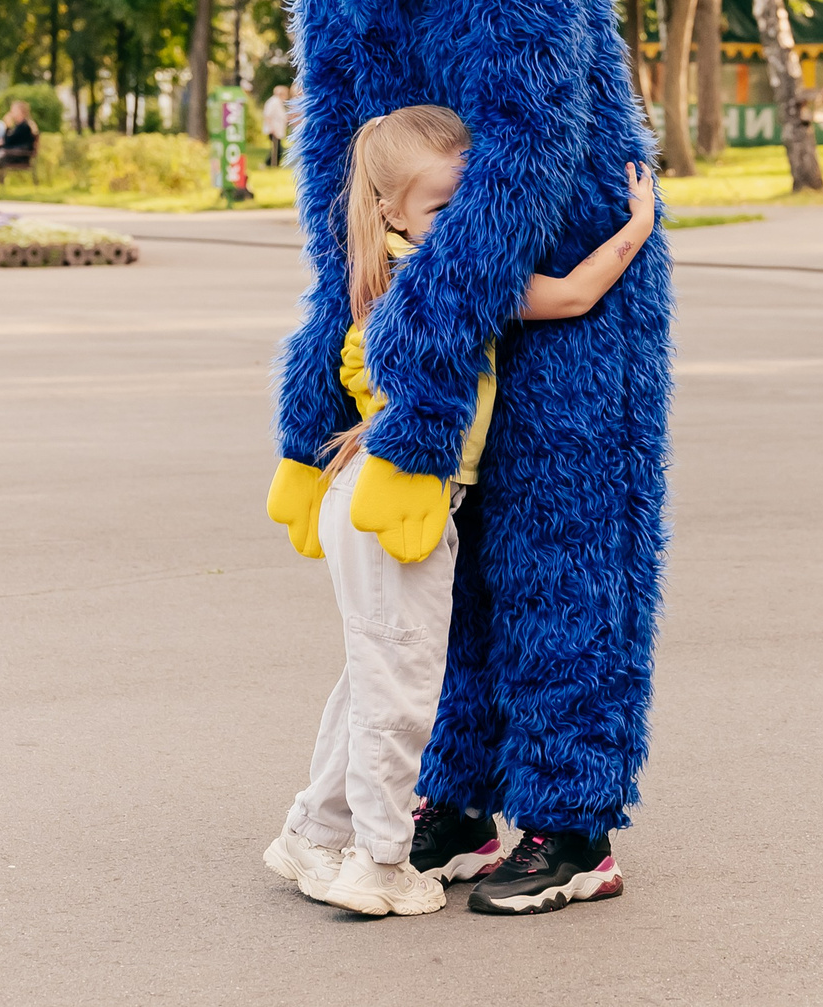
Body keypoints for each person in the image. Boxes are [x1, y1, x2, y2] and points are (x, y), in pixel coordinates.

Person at [257, 0, 670, 919]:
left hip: (563, 276)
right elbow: (332, 171)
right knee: (449, 551)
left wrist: (434, 335)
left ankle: (572, 815)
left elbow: (528, 146)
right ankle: (455, 784)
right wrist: (337, 342)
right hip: (430, 282)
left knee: (562, 537)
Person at [267, 107, 656, 917]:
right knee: (401, 690)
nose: (462, 225)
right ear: (394, 212)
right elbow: (577, 293)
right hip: (398, 500)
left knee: (367, 675)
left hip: (356, 494)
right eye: (443, 210)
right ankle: (377, 861)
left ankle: (312, 832)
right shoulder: (448, 281)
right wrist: (638, 226)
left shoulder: (373, 269)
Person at [0, 98, 39, 179]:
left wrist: (7, 126)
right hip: (14, 154)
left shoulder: (24, 126)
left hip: (16, 156)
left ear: (20, 112)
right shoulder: (22, 125)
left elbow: (7, 142)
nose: (11, 113)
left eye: (13, 111)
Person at [263, 84, 292, 168]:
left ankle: (274, 164)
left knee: (277, 148)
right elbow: (267, 115)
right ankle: (271, 164)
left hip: (278, 129)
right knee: (277, 149)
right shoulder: (273, 102)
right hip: (274, 129)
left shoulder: (278, 102)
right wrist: (272, 128)